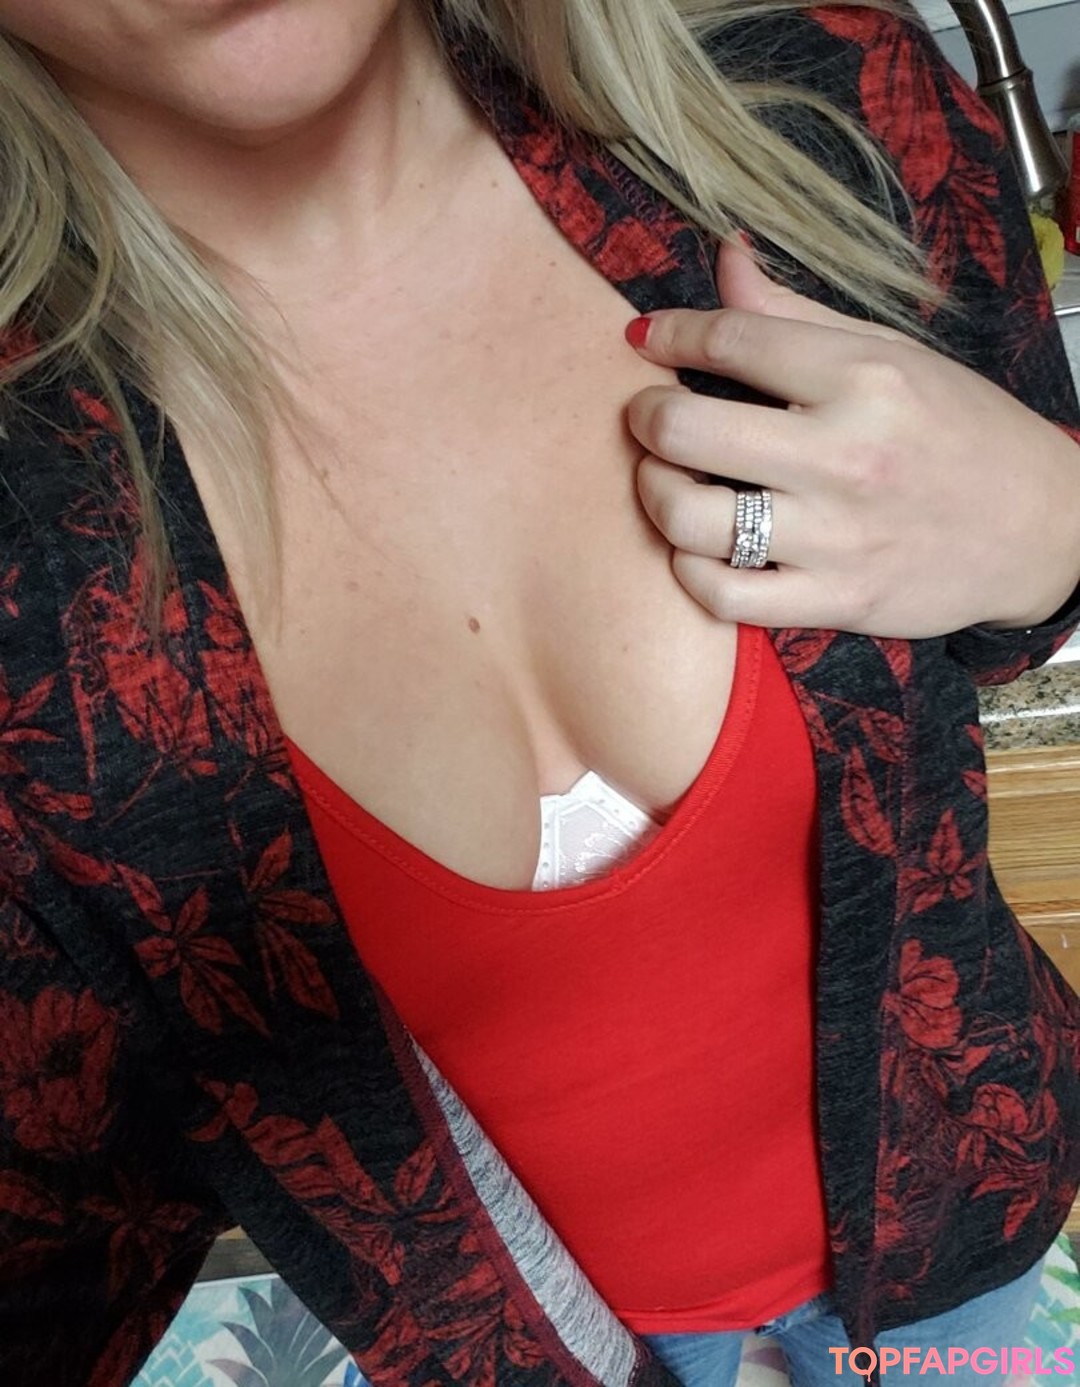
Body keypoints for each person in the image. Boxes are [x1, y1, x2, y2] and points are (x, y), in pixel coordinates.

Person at [0, 1, 1078, 1385]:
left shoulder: (827, 106)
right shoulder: (30, 532)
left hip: (964, 1220)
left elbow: (1006, 632)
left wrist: (1055, 523)